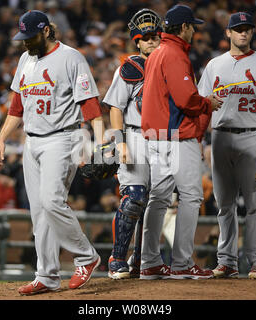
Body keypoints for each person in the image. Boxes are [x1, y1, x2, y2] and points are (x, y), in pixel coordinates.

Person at [0, 10, 107, 295]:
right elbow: (16, 107)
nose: (25, 42)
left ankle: (86, 256)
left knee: (52, 201)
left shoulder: (71, 57)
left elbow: (90, 104)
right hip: (31, 141)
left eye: (30, 37)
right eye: (22, 37)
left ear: (45, 31)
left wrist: (102, 142)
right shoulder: (25, 59)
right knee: (40, 213)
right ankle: (46, 275)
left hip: (62, 138)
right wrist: (1, 138)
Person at [198, 12, 256, 280]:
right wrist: (198, 139)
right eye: (238, 29)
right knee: (224, 203)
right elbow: (202, 106)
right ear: (228, 33)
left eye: (247, 29)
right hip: (221, 136)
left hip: (253, 136)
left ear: (252, 33)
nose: (243, 33)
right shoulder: (214, 65)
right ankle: (227, 261)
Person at [140, 4, 222, 280]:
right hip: (176, 136)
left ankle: (149, 261)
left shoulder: (155, 53)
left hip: (156, 136)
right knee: (191, 196)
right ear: (184, 27)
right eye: (192, 26)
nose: (194, 30)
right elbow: (186, 98)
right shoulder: (174, 54)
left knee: (159, 198)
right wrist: (207, 103)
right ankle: (182, 263)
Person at [102, 8, 163, 280]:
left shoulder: (170, 65)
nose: (152, 41)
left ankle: (141, 259)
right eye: (146, 37)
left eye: (155, 36)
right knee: (134, 198)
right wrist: (120, 141)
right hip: (135, 135)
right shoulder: (129, 67)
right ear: (137, 41)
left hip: (164, 138)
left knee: (157, 202)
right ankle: (116, 259)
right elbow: (115, 107)